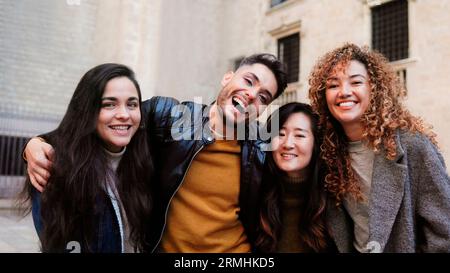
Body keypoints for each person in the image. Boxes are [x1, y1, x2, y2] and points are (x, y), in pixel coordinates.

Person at [23, 53, 288, 252]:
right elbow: (107, 121)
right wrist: (37, 142)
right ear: (228, 77)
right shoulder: (168, 117)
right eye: (248, 81)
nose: (252, 95)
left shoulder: (261, 151)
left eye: (264, 97)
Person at [308, 43, 450, 252]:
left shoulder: (413, 146)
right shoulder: (328, 151)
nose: (344, 92)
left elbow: (444, 232)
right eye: (333, 85)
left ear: (374, 89)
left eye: (355, 82)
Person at [20, 63, 153, 252]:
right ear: (87, 110)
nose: (124, 114)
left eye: (132, 104)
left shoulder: (146, 158)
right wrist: (32, 145)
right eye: (109, 104)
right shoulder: (56, 166)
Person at [256, 102, 334, 253]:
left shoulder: (334, 200)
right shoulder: (256, 193)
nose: (288, 144)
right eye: (280, 134)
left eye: (299, 135)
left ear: (315, 144)